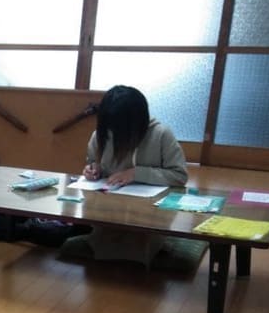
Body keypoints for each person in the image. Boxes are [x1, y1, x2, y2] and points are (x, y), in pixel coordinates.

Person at [77, 85, 188, 264]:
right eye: (110, 125)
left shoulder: (161, 134)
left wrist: (136, 173)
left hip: (150, 211)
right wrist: (92, 170)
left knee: (137, 249)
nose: (114, 131)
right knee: (105, 247)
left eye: (120, 126)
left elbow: (179, 175)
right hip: (109, 207)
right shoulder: (100, 135)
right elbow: (93, 162)